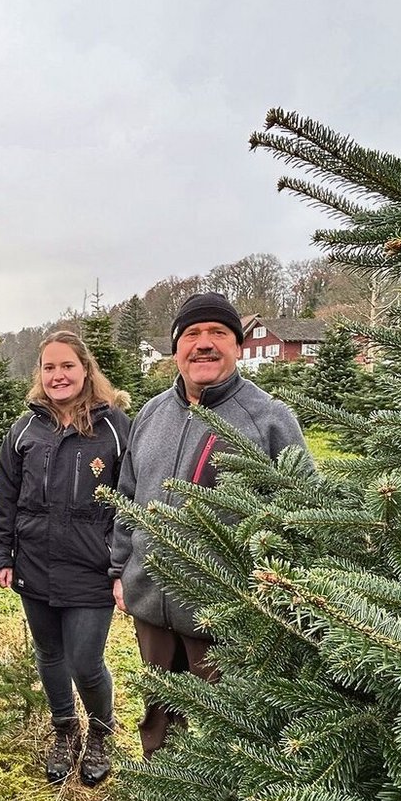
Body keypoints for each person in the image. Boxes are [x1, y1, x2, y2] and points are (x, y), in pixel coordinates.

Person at [109, 292, 310, 758]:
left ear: (237, 346)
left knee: (233, 721)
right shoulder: (152, 414)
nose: (204, 344)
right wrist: (119, 570)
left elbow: (302, 514)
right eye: (192, 335)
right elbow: (125, 496)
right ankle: (158, 795)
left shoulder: (270, 419)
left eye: (218, 333)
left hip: (226, 611)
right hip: (150, 602)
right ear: (176, 348)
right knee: (159, 710)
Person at [0, 331, 131, 785]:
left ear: (85, 370)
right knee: (49, 654)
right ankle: (65, 730)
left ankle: (101, 733)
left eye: (67, 366)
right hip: (35, 563)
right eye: (49, 367)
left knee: (86, 662)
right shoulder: (24, 431)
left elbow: (132, 500)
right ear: (40, 375)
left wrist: (122, 565)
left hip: (92, 568)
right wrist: (0, 551)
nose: (58, 375)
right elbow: (6, 497)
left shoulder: (114, 428)